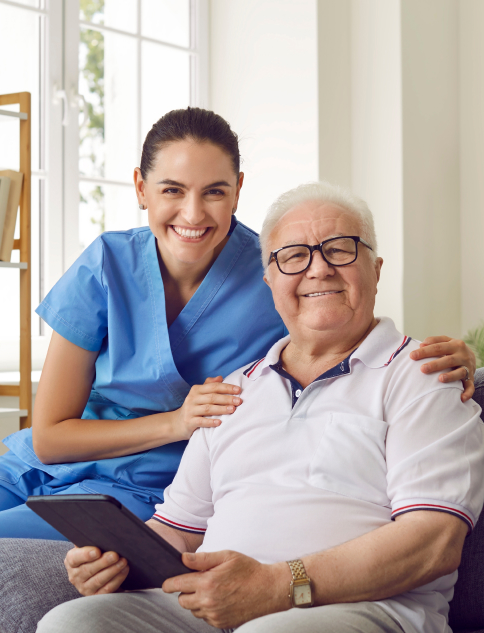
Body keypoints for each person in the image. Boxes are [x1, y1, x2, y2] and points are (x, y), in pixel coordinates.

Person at [0, 110, 475, 541]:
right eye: (172, 189)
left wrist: (458, 356)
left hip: (145, 491)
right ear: (141, 189)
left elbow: (351, 329)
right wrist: (176, 422)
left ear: (238, 192)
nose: (193, 212)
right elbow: (51, 437)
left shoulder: (277, 273)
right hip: (31, 469)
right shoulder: (106, 264)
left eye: (214, 191)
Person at [37, 182, 484, 633]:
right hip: (211, 605)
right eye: (293, 256)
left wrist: (276, 585)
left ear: (376, 268)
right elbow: (179, 530)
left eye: (341, 249)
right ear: (269, 280)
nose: (319, 269)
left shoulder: (426, 377)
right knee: (72, 623)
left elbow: (432, 542)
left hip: (364, 610)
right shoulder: (234, 390)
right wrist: (112, 559)